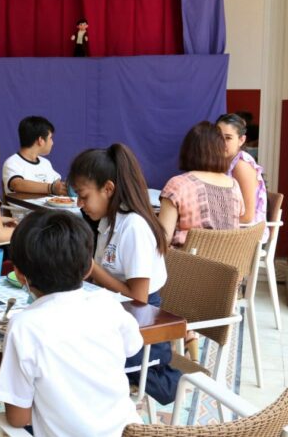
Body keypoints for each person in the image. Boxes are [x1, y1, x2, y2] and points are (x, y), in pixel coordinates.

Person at [0, 209, 143, 436]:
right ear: (89, 268)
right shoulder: (107, 303)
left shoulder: (24, 326)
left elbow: (17, 418)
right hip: (130, 432)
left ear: (20, 275)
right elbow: (133, 346)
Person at [68, 143, 181, 405]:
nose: (79, 203)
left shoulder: (134, 227)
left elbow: (139, 299)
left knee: (76, 361)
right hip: (116, 316)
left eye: (84, 196)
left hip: (142, 326)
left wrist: (92, 268)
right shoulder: (108, 221)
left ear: (108, 189)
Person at [158, 121, 245, 248]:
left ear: (188, 150)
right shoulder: (233, 185)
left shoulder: (178, 184)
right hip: (228, 264)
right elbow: (240, 216)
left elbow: (163, 239)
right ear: (220, 150)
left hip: (186, 264)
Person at [217, 113, 268, 240]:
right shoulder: (223, 161)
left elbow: (247, 217)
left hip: (246, 236)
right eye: (218, 137)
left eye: (228, 138)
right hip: (231, 229)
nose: (222, 143)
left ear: (241, 140)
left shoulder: (241, 166)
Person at [2, 116, 67, 196]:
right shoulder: (12, 162)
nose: (52, 143)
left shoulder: (45, 163)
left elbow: (57, 183)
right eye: (50, 138)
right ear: (40, 140)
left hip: (49, 208)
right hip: (25, 209)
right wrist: (50, 188)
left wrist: (64, 187)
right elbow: (16, 184)